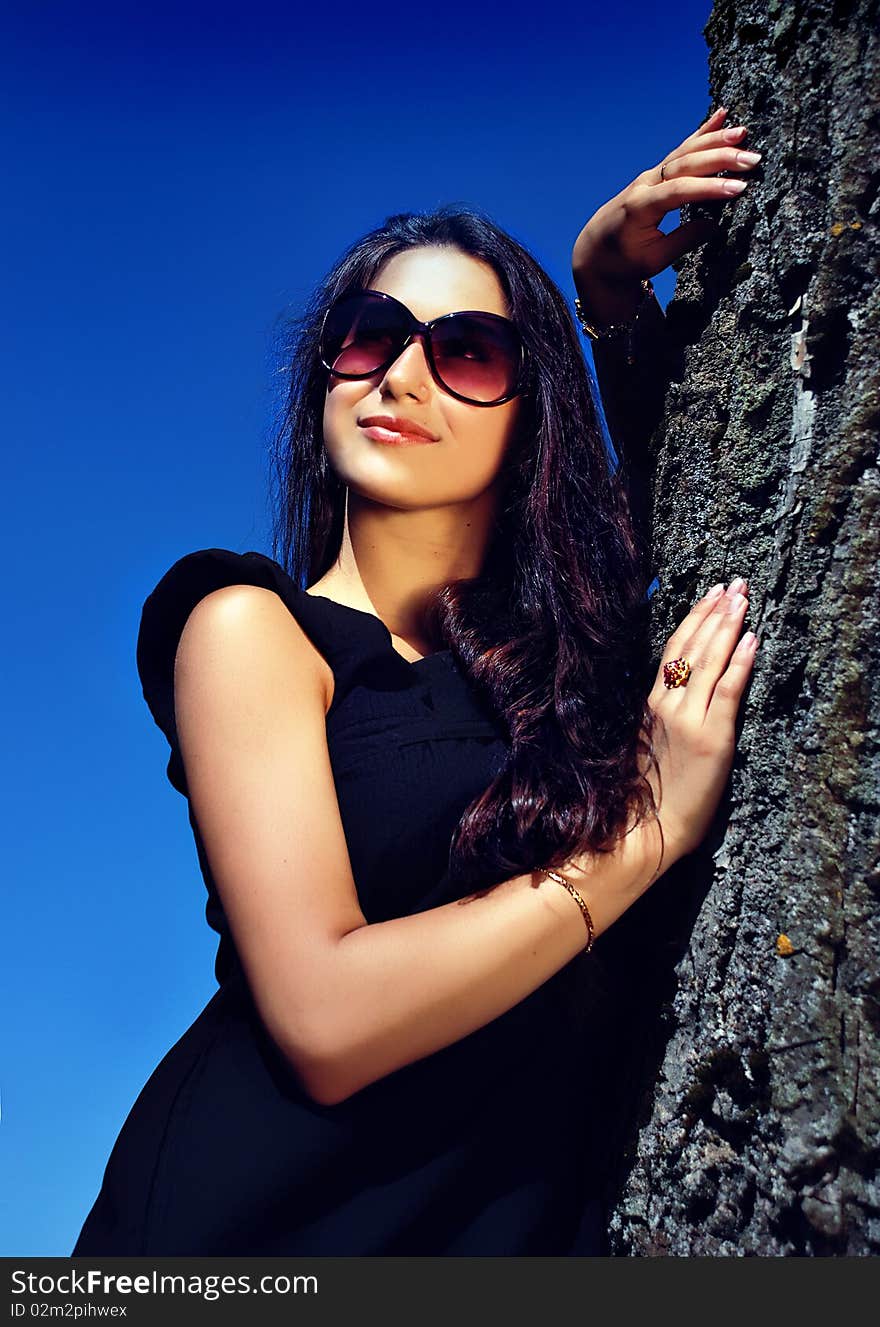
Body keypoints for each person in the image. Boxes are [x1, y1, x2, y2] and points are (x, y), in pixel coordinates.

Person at [72, 108, 761, 1257]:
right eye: (368, 334)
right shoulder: (246, 627)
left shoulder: (560, 672)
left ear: (527, 412)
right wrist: (644, 838)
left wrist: (604, 293)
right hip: (239, 1243)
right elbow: (324, 1020)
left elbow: (702, 522)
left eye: (468, 350)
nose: (400, 374)